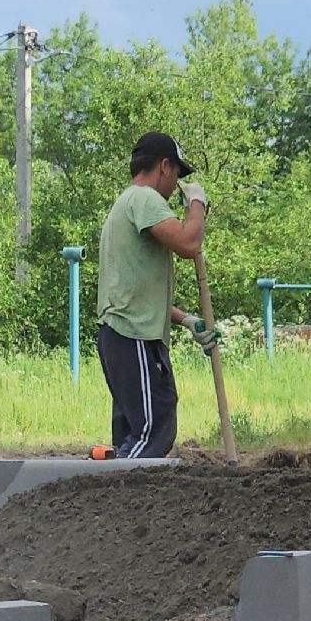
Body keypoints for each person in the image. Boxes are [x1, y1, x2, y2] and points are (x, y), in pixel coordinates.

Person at [94, 131, 219, 459]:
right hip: (132, 337)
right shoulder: (145, 199)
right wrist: (197, 204)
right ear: (165, 166)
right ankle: (119, 496)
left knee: (134, 434)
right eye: (178, 174)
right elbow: (189, 245)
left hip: (121, 334)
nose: (177, 183)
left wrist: (187, 320)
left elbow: (136, 288)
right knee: (154, 429)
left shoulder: (127, 203)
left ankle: (114, 503)